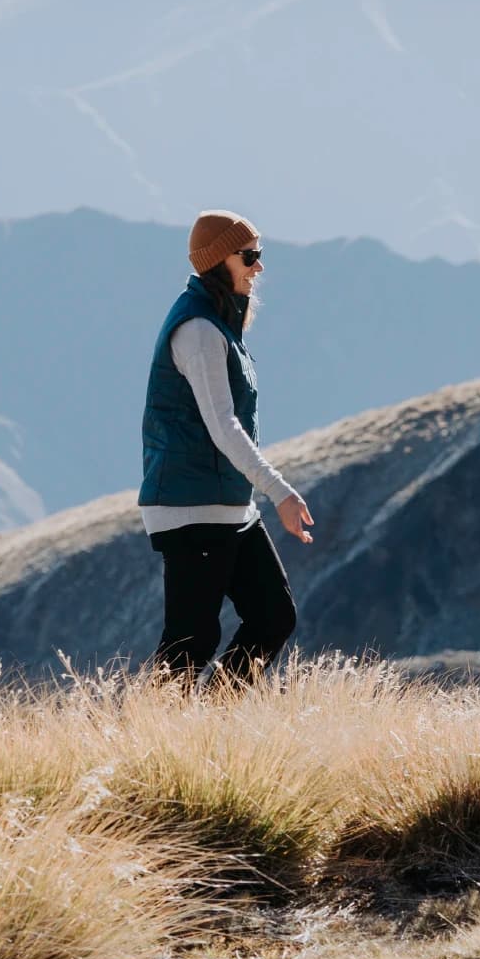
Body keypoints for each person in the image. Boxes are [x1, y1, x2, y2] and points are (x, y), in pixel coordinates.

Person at [139, 209, 315, 686]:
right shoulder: (197, 331)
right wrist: (280, 492)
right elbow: (223, 426)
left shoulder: (219, 325)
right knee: (191, 638)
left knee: (273, 617)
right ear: (219, 262)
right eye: (250, 257)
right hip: (190, 505)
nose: (259, 268)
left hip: (227, 504)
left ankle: (211, 722)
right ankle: (145, 736)